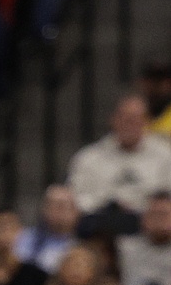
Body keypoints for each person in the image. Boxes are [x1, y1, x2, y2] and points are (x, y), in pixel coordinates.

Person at [68, 95, 171, 235]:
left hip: (150, 230)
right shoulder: (88, 157)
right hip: (99, 227)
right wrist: (109, 204)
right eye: (125, 119)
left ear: (146, 122)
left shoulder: (165, 155)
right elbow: (76, 198)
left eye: (135, 120)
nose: (130, 126)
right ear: (113, 120)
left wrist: (139, 207)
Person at [16, 184, 79, 274]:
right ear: (44, 209)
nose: (59, 212)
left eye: (63, 206)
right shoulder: (24, 238)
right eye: (54, 205)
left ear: (76, 211)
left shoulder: (81, 245)